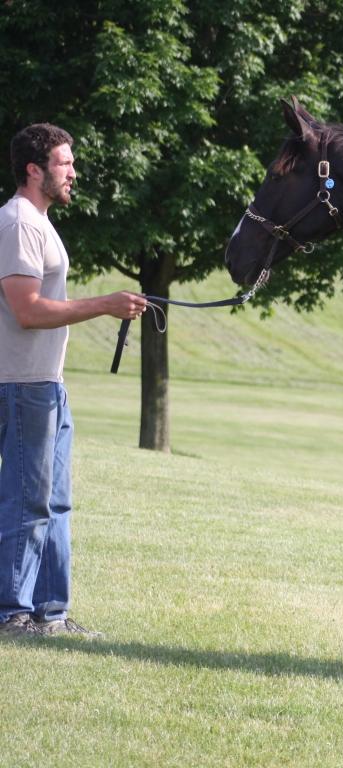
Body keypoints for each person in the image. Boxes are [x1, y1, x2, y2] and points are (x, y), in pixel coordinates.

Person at [0, 123, 147, 637]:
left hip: (47, 384)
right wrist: (104, 305)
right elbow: (27, 310)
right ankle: (12, 614)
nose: (73, 172)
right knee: (27, 501)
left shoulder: (40, 222)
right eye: (65, 163)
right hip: (22, 385)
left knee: (55, 503)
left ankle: (50, 614)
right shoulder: (19, 223)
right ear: (33, 169)